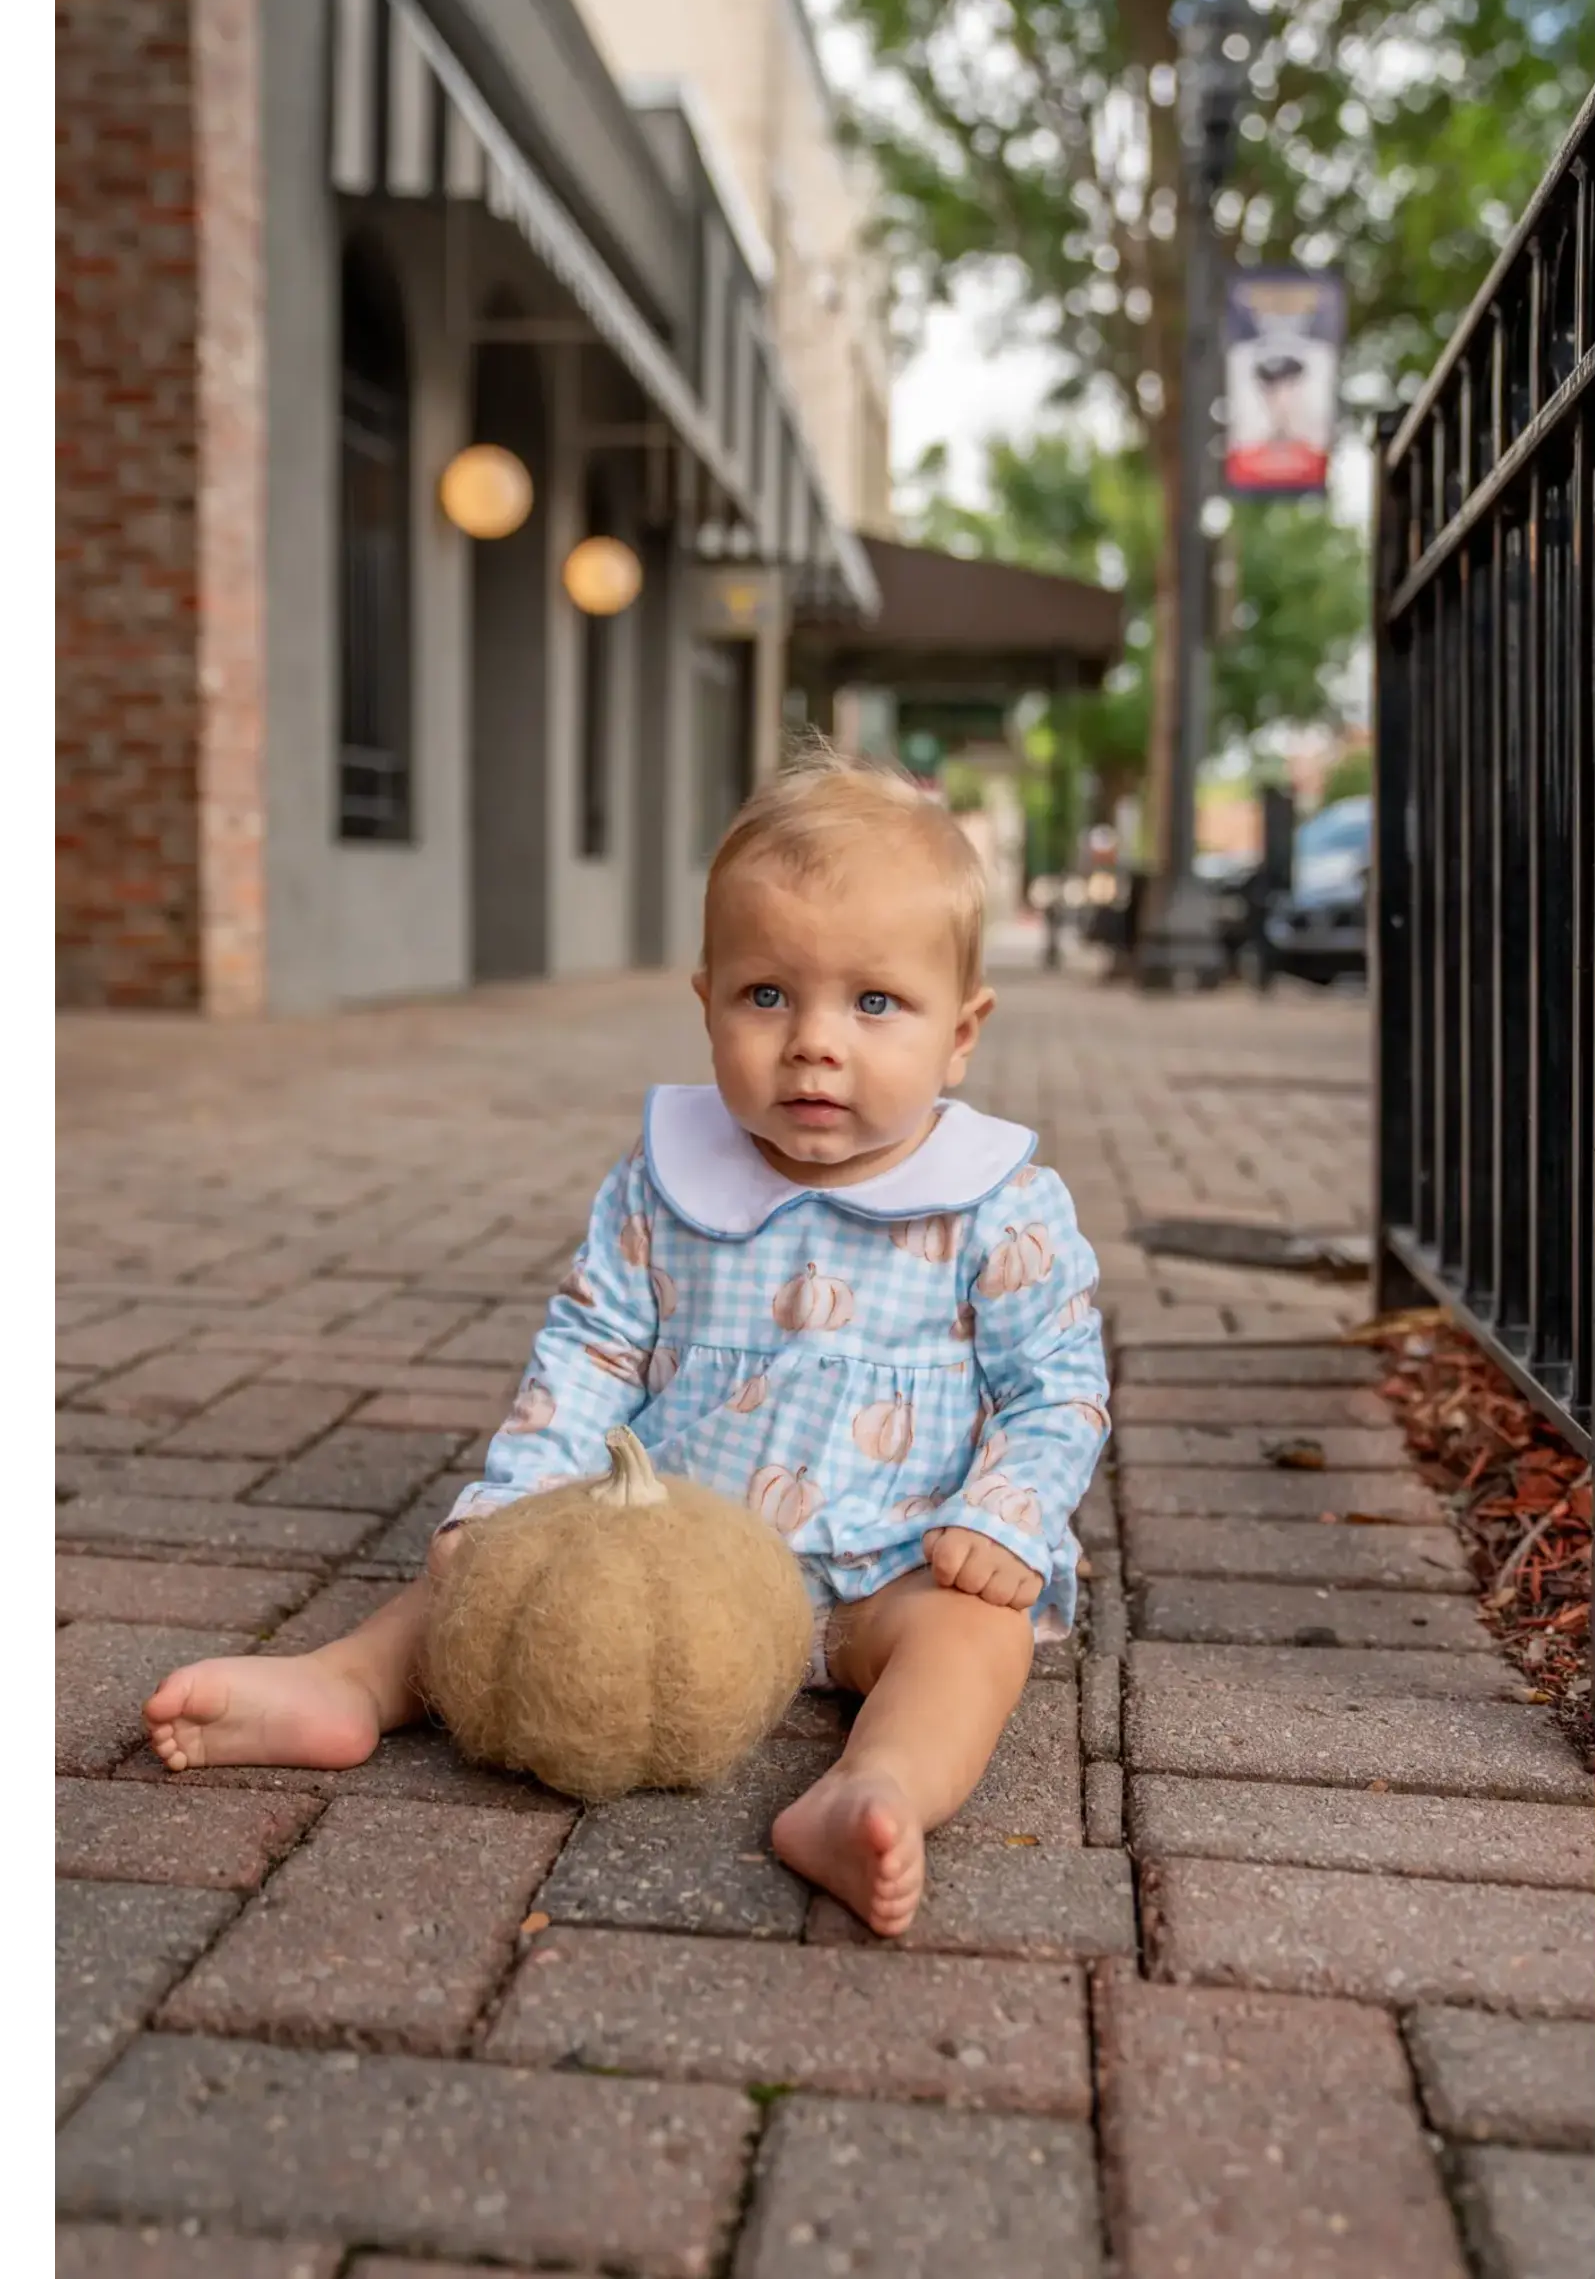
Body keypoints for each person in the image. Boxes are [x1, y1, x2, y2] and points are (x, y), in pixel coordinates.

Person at [145, 750, 1110, 1938]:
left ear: (960, 1033)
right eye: (767, 996)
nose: (813, 1042)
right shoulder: (665, 1183)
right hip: (666, 1562)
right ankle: (342, 1686)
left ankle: (876, 1789)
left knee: (976, 1638)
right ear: (704, 1003)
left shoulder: (995, 1204)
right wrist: (517, 1500)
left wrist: (1006, 1518)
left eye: (872, 1003)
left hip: (892, 1571)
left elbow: (1054, 1389)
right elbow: (592, 1351)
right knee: (485, 1592)